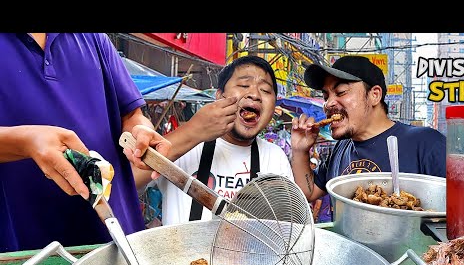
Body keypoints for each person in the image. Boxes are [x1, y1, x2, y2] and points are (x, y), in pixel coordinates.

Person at [0, 33, 170, 253]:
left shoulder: (93, 38)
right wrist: (24, 142)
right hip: (25, 249)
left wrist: (141, 133)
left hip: (117, 235)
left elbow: (131, 115)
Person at [130, 55, 293, 226]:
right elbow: (125, 182)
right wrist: (194, 130)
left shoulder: (275, 157)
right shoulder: (185, 144)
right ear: (220, 96)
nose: (254, 94)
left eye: (266, 91)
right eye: (244, 85)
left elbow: (286, 225)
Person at [289, 55, 446, 203]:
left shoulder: (426, 143)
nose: (328, 104)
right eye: (326, 97)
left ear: (374, 95)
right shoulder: (340, 150)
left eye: (341, 92)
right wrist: (300, 150)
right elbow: (308, 192)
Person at [309, 157, 332, 223]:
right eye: (310, 163)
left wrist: (312, 220)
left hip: (323, 219)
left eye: (313, 164)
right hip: (330, 218)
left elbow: (317, 207)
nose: (311, 165)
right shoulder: (330, 184)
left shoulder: (320, 187)